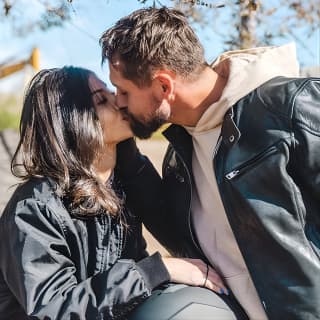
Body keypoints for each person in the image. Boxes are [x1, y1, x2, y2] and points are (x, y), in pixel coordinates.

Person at [99, 7, 320, 320]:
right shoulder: (181, 155)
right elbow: (178, 236)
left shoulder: (292, 109)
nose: (118, 101)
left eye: (124, 90)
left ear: (164, 86)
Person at [0, 66, 229, 320]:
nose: (120, 102)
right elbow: (52, 310)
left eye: (114, 92)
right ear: (72, 119)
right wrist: (153, 271)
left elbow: (178, 231)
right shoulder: (35, 208)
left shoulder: (125, 180)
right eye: (101, 99)